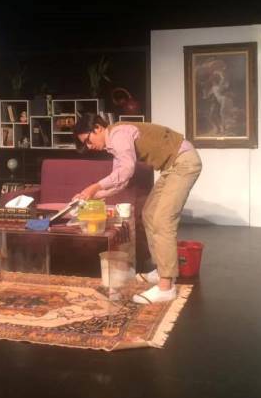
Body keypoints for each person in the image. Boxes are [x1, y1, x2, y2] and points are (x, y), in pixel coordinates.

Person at [72, 114, 202, 304]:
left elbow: (126, 170)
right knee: (149, 214)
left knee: (162, 220)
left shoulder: (118, 134)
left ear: (98, 128)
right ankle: (161, 271)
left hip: (184, 163)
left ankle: (166, 287)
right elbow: (121, 181)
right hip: (171, 167)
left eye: (88, 141)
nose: (89, 147)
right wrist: (94, 194)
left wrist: (95, 186)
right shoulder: (114, 145)